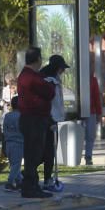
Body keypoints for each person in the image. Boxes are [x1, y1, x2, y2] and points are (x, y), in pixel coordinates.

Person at [17, 47, 55, 198]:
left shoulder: (28, 75)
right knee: (33, 153)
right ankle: (30, 185)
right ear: (37, 59)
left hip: (34, 118)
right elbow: (49, 92)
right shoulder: (31, 76)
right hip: (33, 119)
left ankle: (32, 184)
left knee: (35, 152)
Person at [40, 55, 68, 192]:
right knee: (48, 151)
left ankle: (45, 177)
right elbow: (49, 101)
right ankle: (46, 179)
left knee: (49, 151)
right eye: (62, 68)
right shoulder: (49, 80)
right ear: (58, 68)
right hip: (49, 119)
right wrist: (51, 118)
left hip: (53, 118)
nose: (63, 71)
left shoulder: (54, 79)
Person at [2, 96, 23, 191]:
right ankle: (9, 182)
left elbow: (4, 130)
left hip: (8, 142)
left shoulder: (7, 116)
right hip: (18, 142)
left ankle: (20, 181)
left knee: (13, 163)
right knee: (16, 164)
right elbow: (22, 129)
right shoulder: (21, 116)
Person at [84, 74, 103, 165]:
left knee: (90, 135)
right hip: (84, 110)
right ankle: (86, 156)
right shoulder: (91, 79)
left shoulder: (92, 79)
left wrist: (98, 112)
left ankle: (88, 156)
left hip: (91, 111)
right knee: (89, 135)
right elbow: (96, 96)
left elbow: (96, 96)